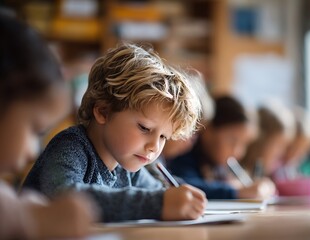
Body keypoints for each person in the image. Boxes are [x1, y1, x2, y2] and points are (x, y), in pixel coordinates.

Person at [23, 42, 207, 222]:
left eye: (163, 137)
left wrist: (183, 199)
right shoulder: (71, 146)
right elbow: (65, 199)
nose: (154, 147)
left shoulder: (126, 166)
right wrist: (159, 204)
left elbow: (162, 192)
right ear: (103, 111)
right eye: (144, 128)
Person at [0, 11, 96, 239]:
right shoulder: (72, 145)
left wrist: (32, 208)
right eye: (35, 129)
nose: (33, 150)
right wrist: (34, 218)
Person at [168, 95, 276, 199]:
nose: (238, 151)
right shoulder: (184, 154)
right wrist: (235, 191)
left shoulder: (219, 166)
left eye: (245, 144)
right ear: (208, 130)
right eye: (232, 140)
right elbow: (183, 184)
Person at [241, 100, 296, 179]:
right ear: (260, 141)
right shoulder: (238, 174)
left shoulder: (260, 172)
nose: (282, 152)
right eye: (278, 145)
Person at [272, 106, 310, 180]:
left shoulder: (295, 166)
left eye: (302, 150)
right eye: (292, 148)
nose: (295, 154)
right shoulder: (273, 165)